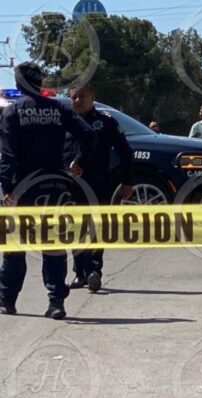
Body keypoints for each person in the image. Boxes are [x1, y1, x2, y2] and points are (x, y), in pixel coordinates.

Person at [0, 62, 95, 319]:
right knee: (53, 244)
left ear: (19, 85)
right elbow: (88, 134)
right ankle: (56, 302)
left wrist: (6, 187)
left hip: (22, 188)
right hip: (54, 186)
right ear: (41, 83)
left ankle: (7, 299)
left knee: (15, 245)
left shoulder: (12, 112)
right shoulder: (59, 109)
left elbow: (8, 155)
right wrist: (79, 161)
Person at [65, 84, 134, 292]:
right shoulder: (65, 122)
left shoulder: (106, 122)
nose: (78, 101)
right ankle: (80, 273)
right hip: (70, 185)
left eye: (82, 96)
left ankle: (95, 271)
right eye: (74, 97)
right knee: (77, 228)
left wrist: (128, 181)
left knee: (96, 228)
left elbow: (126, 152)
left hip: (99, 183)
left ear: (93, 96)